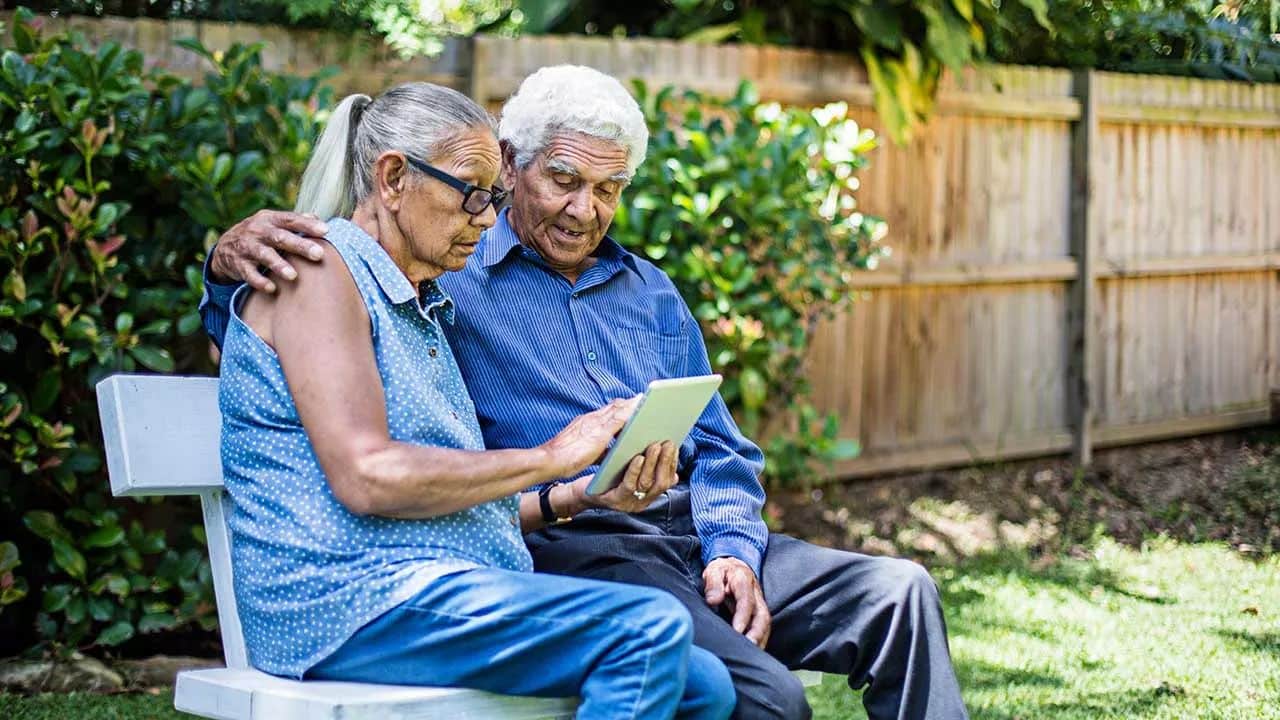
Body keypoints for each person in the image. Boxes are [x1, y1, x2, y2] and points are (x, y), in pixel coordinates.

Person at [204, 67, 969, 720]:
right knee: (759, 696)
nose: (586, 209)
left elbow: (724, 446)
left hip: (676, 537)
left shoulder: (646, 293)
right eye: (564, 181)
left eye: (609, 189)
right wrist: (225, 266)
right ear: (513, 168)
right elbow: (283, 319)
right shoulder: (445, 269)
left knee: (897, 591)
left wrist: (733, 547)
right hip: (574, 552)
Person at [214, 80, 736, 720]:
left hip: (432, 581)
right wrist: (555, 455)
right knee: (648, 629)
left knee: (704, 683)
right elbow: (369, 477)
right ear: (395, 177)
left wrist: (573, 494)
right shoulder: (321, 270)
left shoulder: (421, 303)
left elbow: (444, 500)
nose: (488, 218)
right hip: (347, 599)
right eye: (471, 194)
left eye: (492, 198)